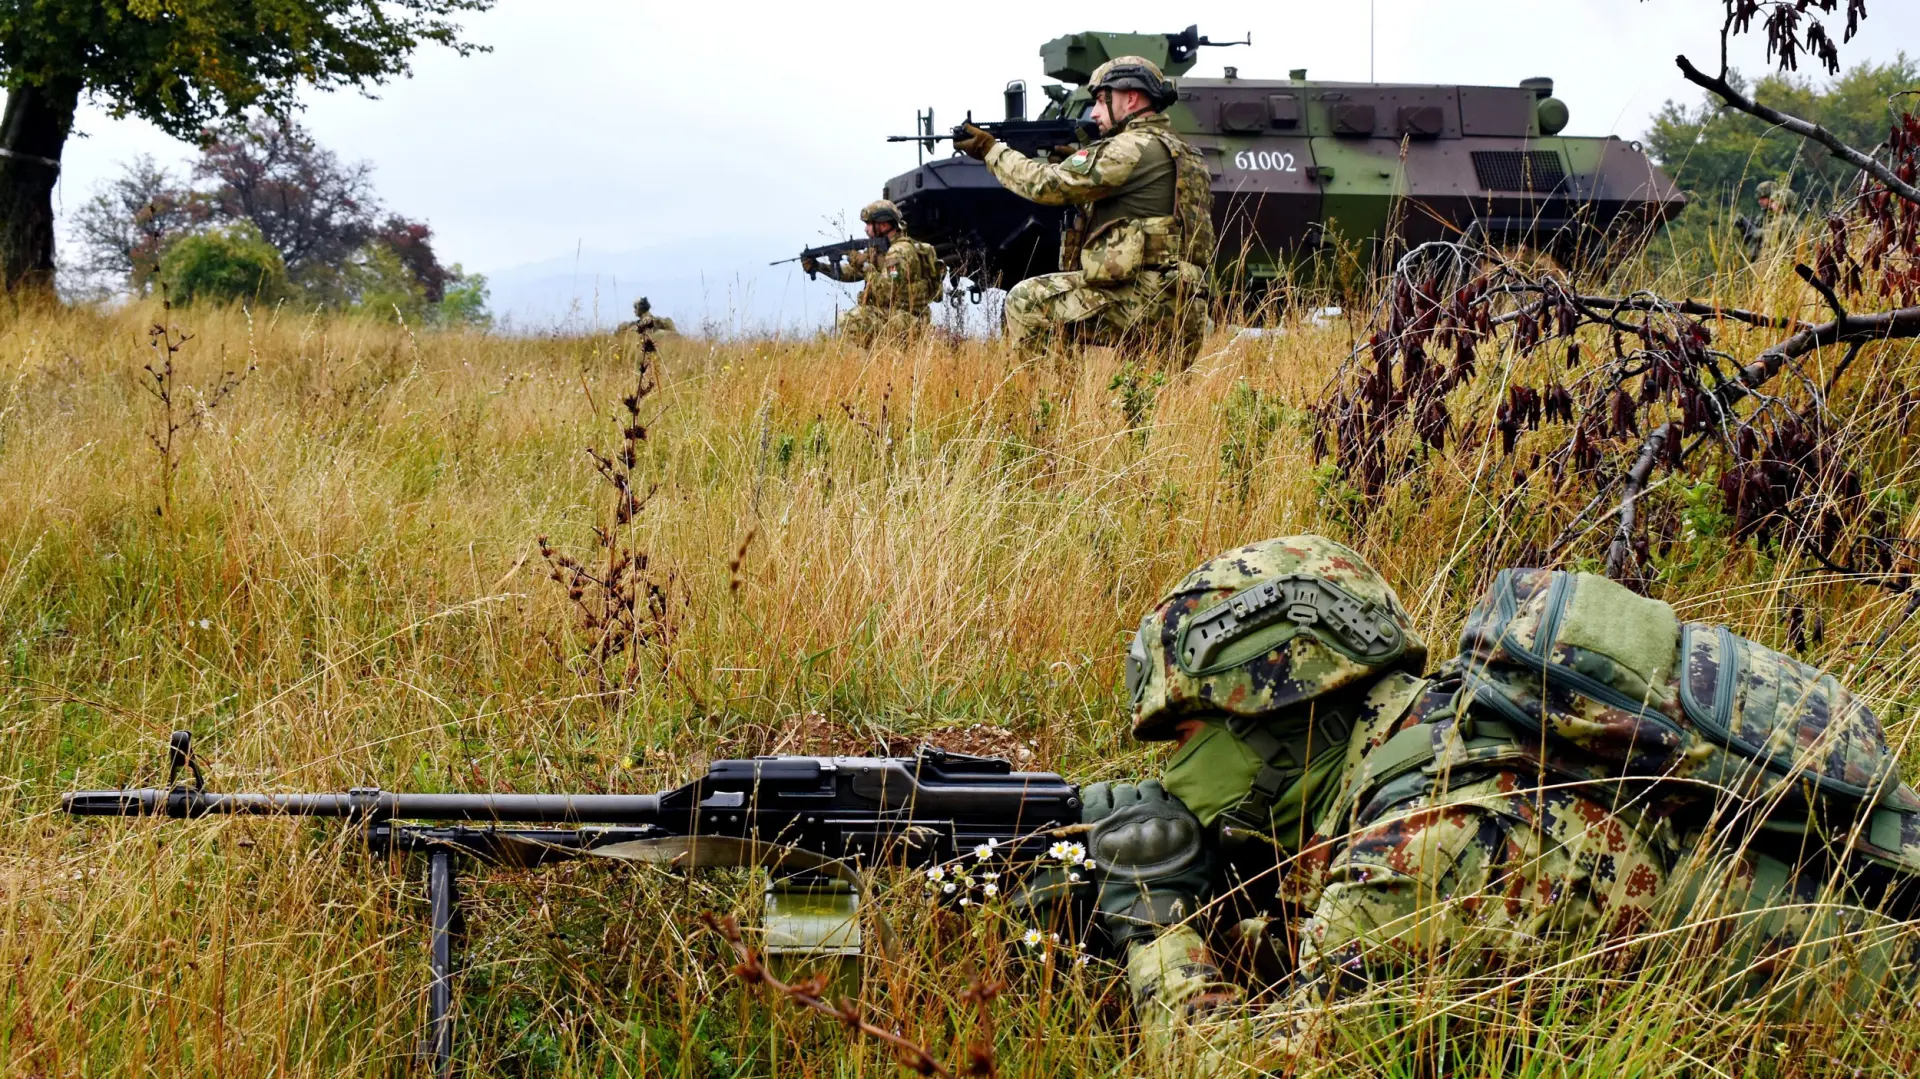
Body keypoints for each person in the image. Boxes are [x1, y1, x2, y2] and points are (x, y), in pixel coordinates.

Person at [1074, 536, 1920, 1070]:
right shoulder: (1452, 729)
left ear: (1276, 716)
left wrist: (1155, 924)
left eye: (1184, 735)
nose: (1174, 771)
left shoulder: (1432, 839)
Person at [953, 56, 1213, 367]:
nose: (1096, 113)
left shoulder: (1129, 147)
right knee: (1146, 404)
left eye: (1102, 101)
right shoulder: (1184, 152)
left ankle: (1054, 410)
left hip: (1141, 300)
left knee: (1027, 301)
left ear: (1130, 98)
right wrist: (1081, 157)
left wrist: (990, 151)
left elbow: (1047, 186)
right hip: (1183, 305)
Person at [804, 199, 944, 346]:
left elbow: (887, 292)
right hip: (898, 316)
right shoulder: (883, 250)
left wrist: (863, 264)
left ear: (883, 224)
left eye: (869, 224)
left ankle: (876, 359)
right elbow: (854, 273)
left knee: (852, 319)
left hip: (906, 318)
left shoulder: (899, 252)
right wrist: (820, 266)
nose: (866, 230)